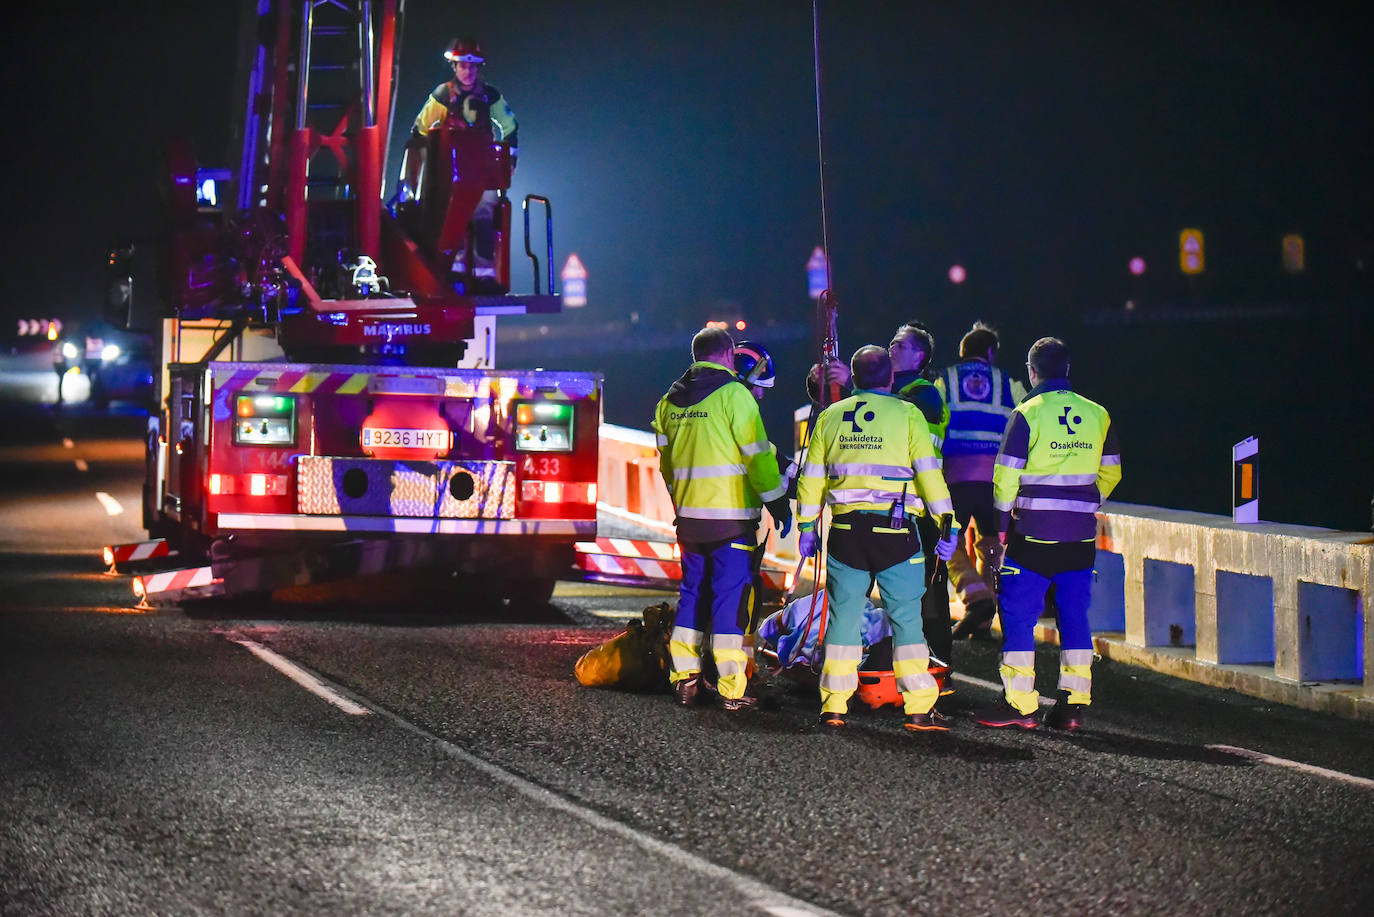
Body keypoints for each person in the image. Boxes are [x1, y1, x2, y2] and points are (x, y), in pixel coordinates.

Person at [796, 345, 959, 731]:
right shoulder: (908, 415)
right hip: (896, 533)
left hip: (846, 534)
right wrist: (946, 525)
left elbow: (811, 479)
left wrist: (806, 528)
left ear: (853, 378)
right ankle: (918, 707)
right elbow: (929, 475)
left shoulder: (830, 417)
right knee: (907, 620)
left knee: (843, 620)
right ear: (889, 378)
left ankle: (834, 705)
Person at [974, 337, 1121, 730]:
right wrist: (1087, 501)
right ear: (1068, 369)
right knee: (1075, 618)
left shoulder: (1026, 413)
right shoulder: (1098, 414)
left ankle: (1021, 705)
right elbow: (1112, 470)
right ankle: (1073, 706)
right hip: (1079, 537)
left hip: (1032, 536)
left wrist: (1001, 530)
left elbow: (1005, 478)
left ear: (1032, 371)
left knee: (1019, 616)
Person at [653, 327, 792, 712]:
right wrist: (779, 504)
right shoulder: (735, 396)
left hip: (690, 520)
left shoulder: (668, 402)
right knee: (729, 603)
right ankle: (732, 689)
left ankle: (686, 681)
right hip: (730, 521)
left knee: (692, 599)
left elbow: (666, 466)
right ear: (729, 355)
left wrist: (685, 502)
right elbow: (759, 459)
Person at [937, 321, 1027, 640]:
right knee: (991, 543)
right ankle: (985, 620)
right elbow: (1026, 421)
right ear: (990, 352)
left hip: (956, 477)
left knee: (947, 542)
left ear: (963, 352)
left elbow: (933, 424)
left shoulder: (945, 380)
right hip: (997, 482)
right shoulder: (1008, 383)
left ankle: (975, 597)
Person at [403, 37, 519, 285]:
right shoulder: (443, 95)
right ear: (454, 67)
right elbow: (420, 129)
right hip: (451, 175)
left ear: (478, 68)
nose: (467, 71)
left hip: (483, 174)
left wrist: (510, 162)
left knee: (485, 213)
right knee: (451, 217)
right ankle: (452, 269)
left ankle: (486, 274)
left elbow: (510, 126)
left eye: (472, 66)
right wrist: (419, 173)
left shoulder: (490, 96)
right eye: (462, 65)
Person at [888, 321, 955, 695]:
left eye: (899, 345)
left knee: (930, 593)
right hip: (893, 508)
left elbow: (891, 410)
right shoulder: (889, 391)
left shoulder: (926, 395)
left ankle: (940, 674)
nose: (891, 349)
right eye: (891, 345)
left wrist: (856, 391)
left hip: (924, 511)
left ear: (921, 356)